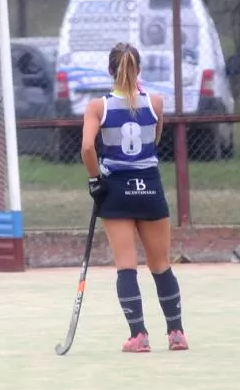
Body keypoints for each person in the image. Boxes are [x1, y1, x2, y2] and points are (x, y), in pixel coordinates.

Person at [80, 42, 188, 353]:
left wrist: (94, 179)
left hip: (116, 189)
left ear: (109, 70)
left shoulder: (97, 107)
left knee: (126, 266)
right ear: (138, 70)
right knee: (161, 265)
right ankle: (176, 333)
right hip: (150, 187)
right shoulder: (155, 102)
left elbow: (88, 147)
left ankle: (138, 335)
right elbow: (153, 140)